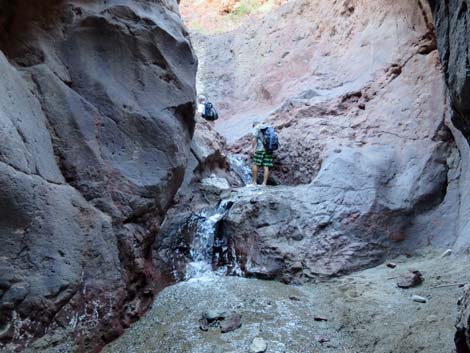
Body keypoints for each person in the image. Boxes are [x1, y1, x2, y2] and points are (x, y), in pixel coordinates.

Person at [251, 121, 273, 187]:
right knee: (266, 166)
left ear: (254, 125)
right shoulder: (267, 127)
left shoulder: (256, 128)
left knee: (255, 164)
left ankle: (254, 183)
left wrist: (252, 148)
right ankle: (264, 184)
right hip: (268, 149)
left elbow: (254, 139)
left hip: (259, 150)